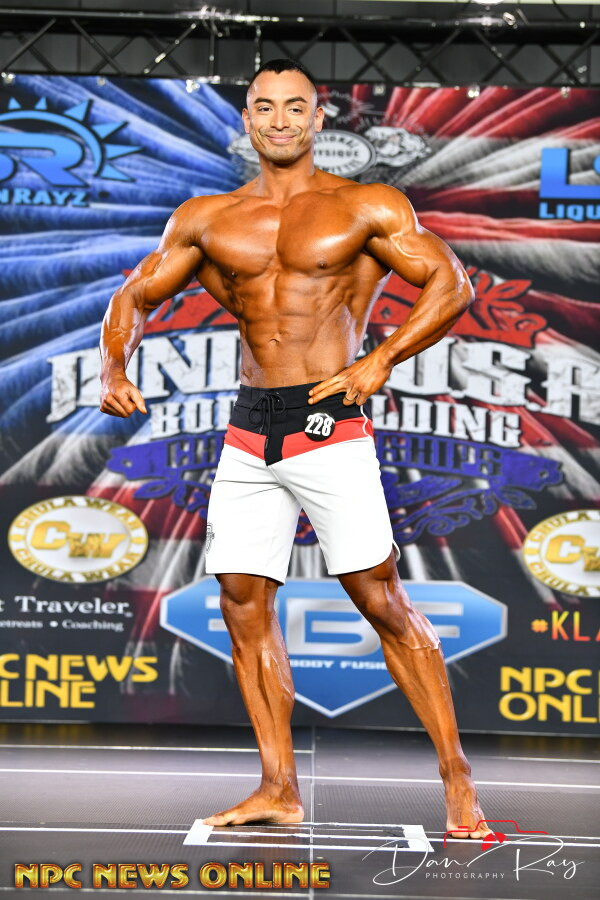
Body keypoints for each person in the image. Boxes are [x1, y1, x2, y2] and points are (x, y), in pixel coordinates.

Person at [99, 58, 491, 839]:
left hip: (327, 422)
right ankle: (278, 786)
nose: (279, 120)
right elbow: (134, 293)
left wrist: (382, 359)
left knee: (380, 599)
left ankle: (457, 777)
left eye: (294, 107)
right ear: (247, 119)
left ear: (318, 119)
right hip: (250, 428)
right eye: (265, 107)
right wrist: (114, 365)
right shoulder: (206, 218)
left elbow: (451, 285)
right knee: (242, 602)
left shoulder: (366, 205)